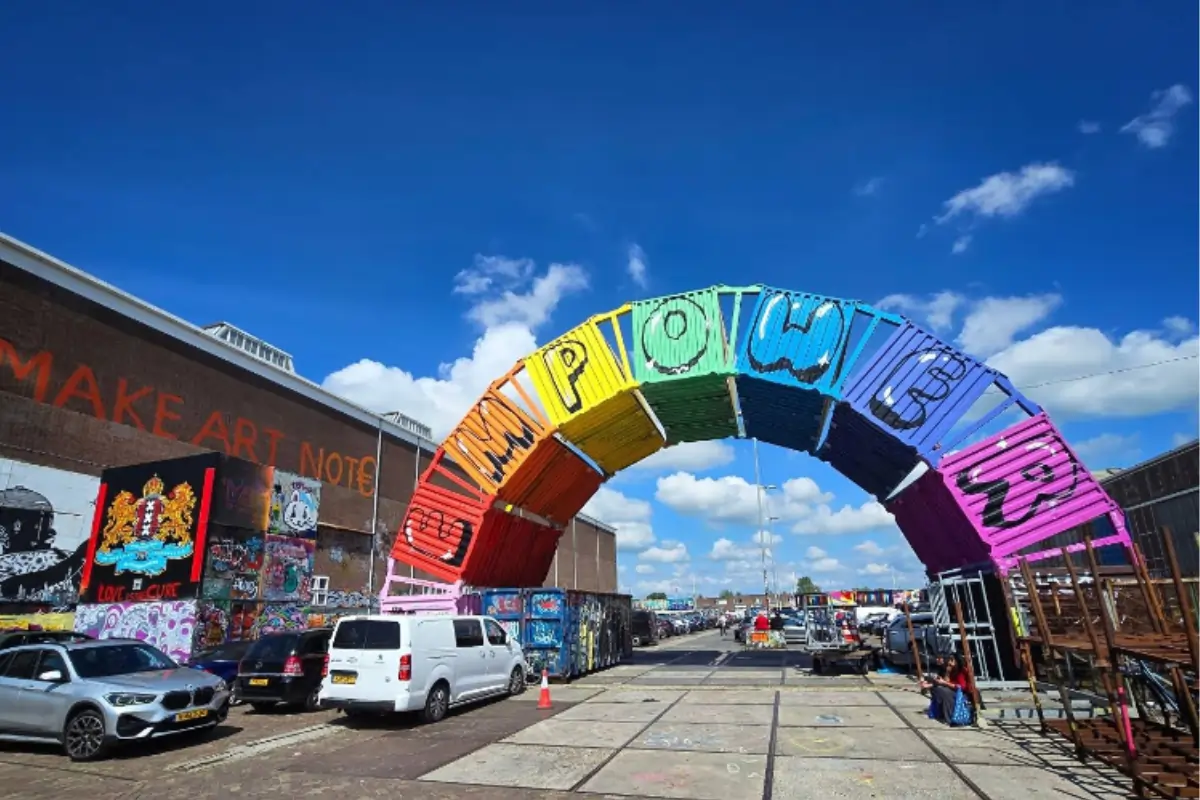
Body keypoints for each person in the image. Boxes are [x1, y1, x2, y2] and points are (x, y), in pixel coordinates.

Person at [920, 654, 971, 725]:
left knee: (943, 692)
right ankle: (941, 713)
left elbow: (961, 687)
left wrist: (944, 683)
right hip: (952, 690)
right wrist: (947, 673)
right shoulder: (951, 669)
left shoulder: (961, 671)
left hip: (961, 694)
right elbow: (946, 681)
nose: (949, 662)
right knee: (936, 689)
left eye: (952, 660)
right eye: (949, 660)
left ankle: (949, 717)